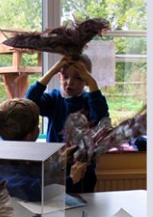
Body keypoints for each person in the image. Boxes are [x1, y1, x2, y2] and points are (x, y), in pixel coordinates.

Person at [25, 54, 109, 192]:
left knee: (82, 209)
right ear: (59, 77)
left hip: (83, 171)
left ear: (86, 81)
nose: (70, 83)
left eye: (78, 77)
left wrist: (93, 82)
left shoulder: (91, 100)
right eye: (65, 76)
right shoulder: (54, 99)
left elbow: (100, 117)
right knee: (54, 206)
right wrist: (53, 70)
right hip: (55, 168)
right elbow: (29, 103)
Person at [0, 98, 84, 198]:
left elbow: (40, 175)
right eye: (37, 125)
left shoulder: (23, 153)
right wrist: (71, 179)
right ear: (29, 136)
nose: (39, 128)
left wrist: (60, 162)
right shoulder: (5, 161)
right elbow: (34, 190)